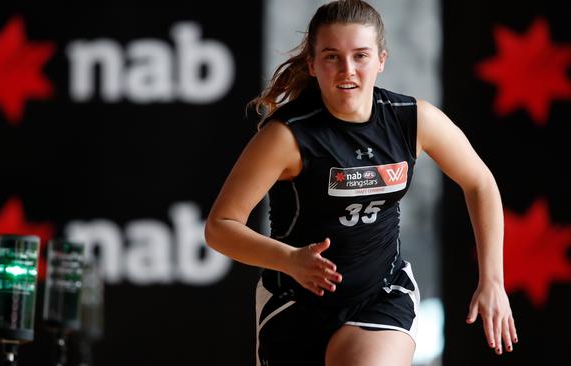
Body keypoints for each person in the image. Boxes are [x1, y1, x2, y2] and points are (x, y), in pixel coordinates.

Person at [204, 0, 517, 365]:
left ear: (381, 60)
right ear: (313, 63)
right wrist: (290, 260)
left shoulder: (413, 120)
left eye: (361, 56)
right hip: (295, 302)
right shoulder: (286, 137)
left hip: (380, 294)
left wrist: (492, 280)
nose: (347, 70)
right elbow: (219, 228)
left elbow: (480, 182)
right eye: (332, 56)